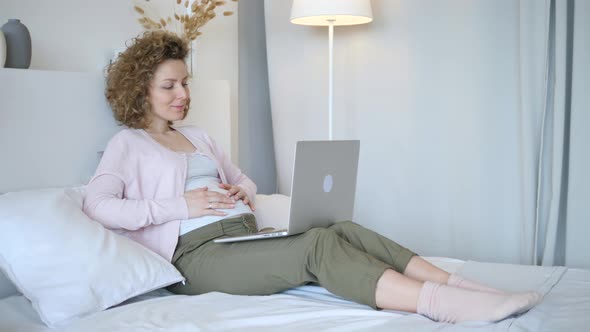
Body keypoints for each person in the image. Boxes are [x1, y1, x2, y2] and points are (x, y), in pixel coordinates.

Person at [83, 31, 542, 324]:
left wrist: (237, 190)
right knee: (317, 246)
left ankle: (459, 285)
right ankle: (443, 306)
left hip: (241, 237)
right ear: (139, 90)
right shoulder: (130, 144)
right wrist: (184, 206)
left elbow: (246, 180)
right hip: (197, 257)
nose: (183, 94)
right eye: (170, 86)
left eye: (185, 83)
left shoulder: (199, 136)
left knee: (339, 228)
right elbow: (98, 206)